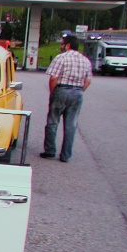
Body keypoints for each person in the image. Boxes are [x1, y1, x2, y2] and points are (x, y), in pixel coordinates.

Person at [40, 34, 92, 162]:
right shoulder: (85, 60)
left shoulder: (61, 58)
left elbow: (53, 77)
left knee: (52, 122)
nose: (61, 46)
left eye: (62, 44)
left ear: (68, 45)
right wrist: (79, 90)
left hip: (61, 90)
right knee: (71, 125)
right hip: (77, 92)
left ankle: (50, 150)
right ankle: (65, 155)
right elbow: (88, 80)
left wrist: (53, 92)